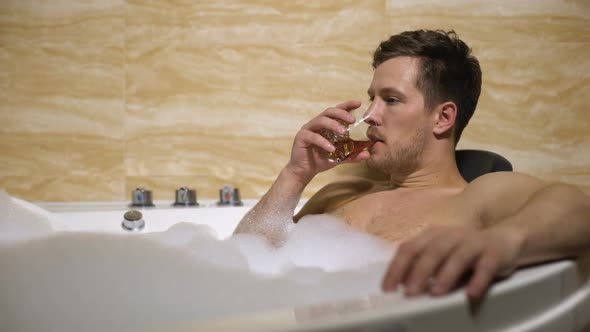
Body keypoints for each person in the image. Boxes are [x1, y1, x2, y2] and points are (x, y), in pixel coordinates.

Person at [234, 30, 590, 300]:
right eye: (373, 99)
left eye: (391, 100)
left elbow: (578, 212)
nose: (370, 116)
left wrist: (502, 243)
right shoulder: (338, 193)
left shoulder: (478, 196)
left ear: (443, 118)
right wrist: (295, 174)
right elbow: (242, 266)